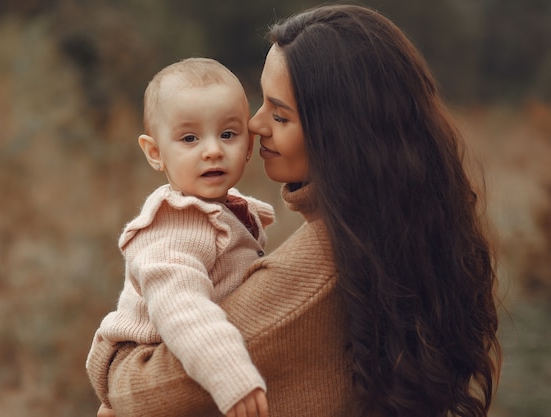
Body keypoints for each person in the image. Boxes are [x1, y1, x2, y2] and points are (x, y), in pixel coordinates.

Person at [89, 5, 502, 417]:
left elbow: (144, 394)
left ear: (337, 134)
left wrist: (113, 358)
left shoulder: (309, 275)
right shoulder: (390, 233)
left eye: (279, 114)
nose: (255, 125)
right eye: (262, 104)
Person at [86, 57, 273, 417]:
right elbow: (181, 308)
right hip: (146, 351)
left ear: (249, 145)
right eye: (190, 138)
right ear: (155, 153)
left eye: (228, 134)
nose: (213, 149)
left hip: (185, 355)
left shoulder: (226, 211)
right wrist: (229, 373)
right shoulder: (175, 225)